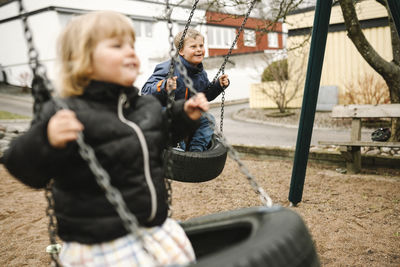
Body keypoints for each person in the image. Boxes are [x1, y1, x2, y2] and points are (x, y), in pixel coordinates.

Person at [2, 11, 209, 266]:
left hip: (153, 227)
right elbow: (20, 166)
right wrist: (46, 140)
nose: (130, 52)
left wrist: (184, 116)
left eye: (131, 45)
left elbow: (161, 135)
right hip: (100, 244)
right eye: (117, 45)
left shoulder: (144, 106)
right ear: (82, 60)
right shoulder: (67, 112)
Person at [142, 28, 229, 152]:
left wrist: (218, 86)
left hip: (188, 111)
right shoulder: (168, 67)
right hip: (166, 112)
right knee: (177, 123)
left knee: (208, 119)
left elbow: (205, 95)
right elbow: (146, 91)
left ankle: (197, 151)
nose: (199, 49)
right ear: (181, 51)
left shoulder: (200, 74)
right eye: (193, 46)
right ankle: (178, 151)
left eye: (201, 45)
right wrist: (164, 85)